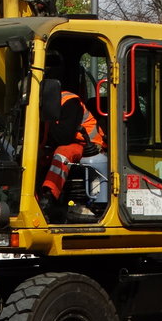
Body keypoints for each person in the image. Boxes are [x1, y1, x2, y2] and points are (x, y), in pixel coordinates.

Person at [39, 61, 106, 221]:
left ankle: (49, 196)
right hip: (71, 141)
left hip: (89, 144)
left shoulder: (69, 101)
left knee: (63, 153)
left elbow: (64, 137)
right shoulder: (45, 104)